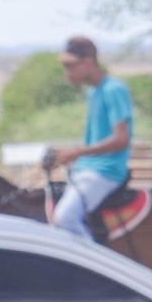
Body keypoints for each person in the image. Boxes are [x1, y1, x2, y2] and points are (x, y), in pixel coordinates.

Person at [43, 36, 133, 242]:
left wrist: (76, 153)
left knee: (64, 219)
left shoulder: (113, 89)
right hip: (88, 170)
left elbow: (121, 139)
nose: (67, 73)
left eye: (71, 66)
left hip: (105, 172)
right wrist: (66, 156)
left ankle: (94, 262)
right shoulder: (93, 92)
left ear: (89, 62)